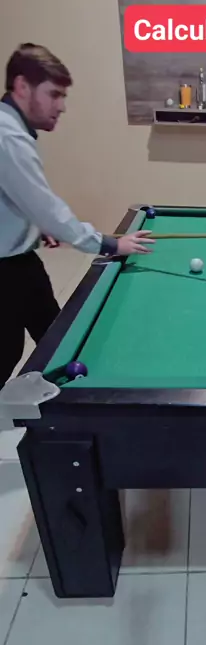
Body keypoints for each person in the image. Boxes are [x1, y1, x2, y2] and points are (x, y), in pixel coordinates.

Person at [0, 42, 154, 389]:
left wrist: (34, 227)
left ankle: (79, 396)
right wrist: (110, 244)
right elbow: (48, 209)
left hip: (18, 262)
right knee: (8, 351)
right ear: (22, 86)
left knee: (54, 332)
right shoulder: (8, 137)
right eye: (54, 95)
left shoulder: (10, 129)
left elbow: (17, 199)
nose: (62, 106)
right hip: (5, 269)